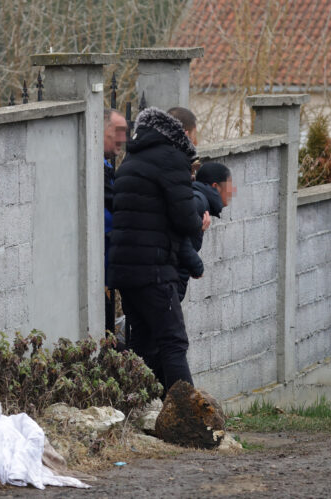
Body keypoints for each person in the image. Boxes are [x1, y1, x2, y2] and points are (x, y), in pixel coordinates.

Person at [107, 106, 210, 394]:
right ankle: (188, 419)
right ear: (186, 133)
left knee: (143, 342)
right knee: (173, 341)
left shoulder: (133, 156)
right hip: (154, 269)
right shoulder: (172, 158)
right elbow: (182, 216)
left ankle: (139, 407)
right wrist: (198, 222)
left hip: (124, 270)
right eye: (195, 136)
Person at [176, 162, 236, 302]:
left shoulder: (198, 199)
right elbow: (175, 234)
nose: (232, 191)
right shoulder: (198, 201)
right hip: (166, 284)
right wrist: (195, 265)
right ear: (215, 186)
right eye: (229, 185)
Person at [103, 109, 128, 336]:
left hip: (110, 266)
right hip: (99, 267)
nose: (123, 138)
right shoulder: (96, 167)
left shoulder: (108, 166)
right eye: (118, 131)